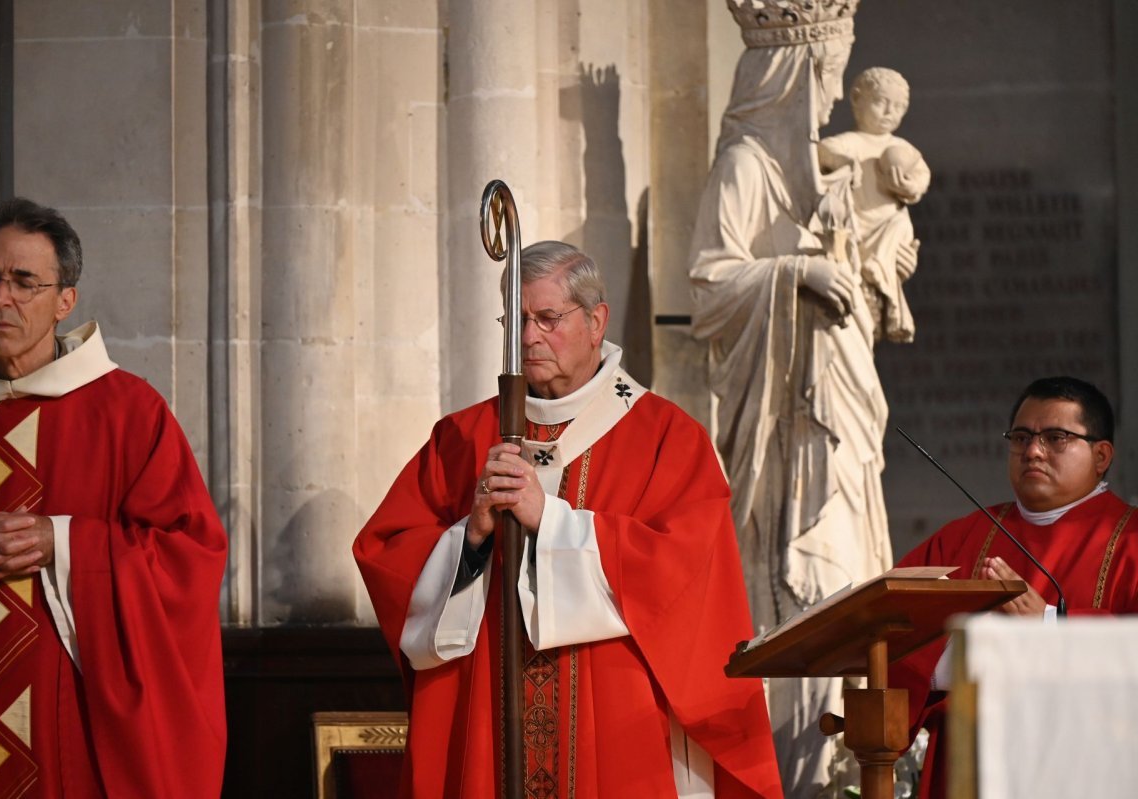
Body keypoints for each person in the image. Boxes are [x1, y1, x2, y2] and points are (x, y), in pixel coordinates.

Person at [354, 241, 782, 798]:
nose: (529, 337)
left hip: (618, 728)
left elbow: (685, 578)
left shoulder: (666, 438)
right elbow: (389, 552)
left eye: (548, 318)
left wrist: (549, 522)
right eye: (518, 321)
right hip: (491, 720)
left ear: (596, 320)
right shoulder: (462, 439)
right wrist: (472, 535)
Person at [686, 2, 913, 795]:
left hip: (845, 414)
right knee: (804, 590)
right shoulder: (748, 164)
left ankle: (852, 769)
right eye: (825, 72)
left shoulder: (828, 172)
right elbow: (710, 283)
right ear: (788, 72)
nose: (831, 94)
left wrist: (878, 270)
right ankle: (795, 776)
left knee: (852, 573)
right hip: (784, 435)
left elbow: (867, 294)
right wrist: (799, 273)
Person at [0, 198, 228, 797]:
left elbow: (190, 552)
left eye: (24, 282)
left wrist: (63, 542)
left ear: (64, 300)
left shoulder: (127, 411)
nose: (0, 299)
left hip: (78, 711)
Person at [890, 376, 1138, 799]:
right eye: (1021, 436)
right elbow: (891, 630)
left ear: (1101, 455)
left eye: (1056, 437)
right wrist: (963, 654)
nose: (1033, 450)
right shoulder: (962, 538)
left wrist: (1048, 625)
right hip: (970, 768)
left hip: (1091, 769)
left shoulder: (1131, 540)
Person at [818, 67, 930, 343]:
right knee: (857, 318)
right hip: (856, 232)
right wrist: (841, 162)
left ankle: (882, 272)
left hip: (888, 228)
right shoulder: (848, 143)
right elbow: (821, 151)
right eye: (881, 102)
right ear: (857, 99)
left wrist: (910, 187)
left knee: (900, 222)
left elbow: (921, 174)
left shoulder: (901, 147)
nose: (889, 112)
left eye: (899, 106)